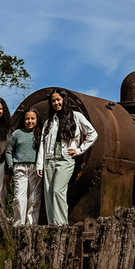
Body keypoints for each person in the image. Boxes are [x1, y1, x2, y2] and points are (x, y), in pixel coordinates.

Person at [35, 89, 97, 226]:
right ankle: (52, 225)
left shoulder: (76, 116)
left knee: (58, 191)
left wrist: (79, 150)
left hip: (65, 160)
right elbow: (42, 145)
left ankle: (61, 225)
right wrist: (39, 164)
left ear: (64, 100)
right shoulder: (49, 122)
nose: (56, 103)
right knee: (49, 194)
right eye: (53, 101)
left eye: (58, 99)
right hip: (49, 159)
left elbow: (93, 134)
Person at [6, 109, 43, 226]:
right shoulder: (17, 133)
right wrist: (12, 165)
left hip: (35, 168)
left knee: (34, 199)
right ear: (24, 120)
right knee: (18, 198)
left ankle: (31, 225)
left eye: (32, 118)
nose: (30, 121)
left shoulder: (40, 134)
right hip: (20, 168)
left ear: (37, 120)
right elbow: (8, 151)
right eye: (27, 118)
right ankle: (18, 225)